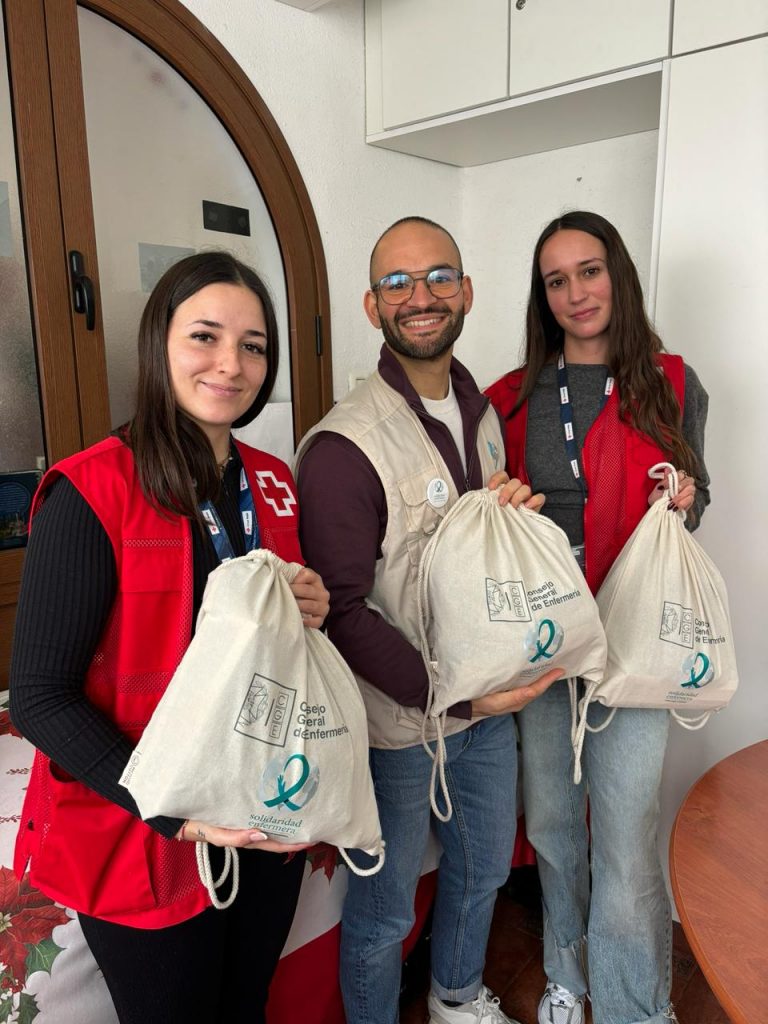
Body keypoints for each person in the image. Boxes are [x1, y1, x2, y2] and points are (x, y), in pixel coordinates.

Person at [9, 251, 330, 1024]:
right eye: (205, 336)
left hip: (261, 808)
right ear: (159, 343)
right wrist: (177, 812)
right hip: (141, 826)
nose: (231, 364)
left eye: (253, 346)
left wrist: (308, 609)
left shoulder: (272, 481)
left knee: (245, 1004)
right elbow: (41, 699)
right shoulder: (94, 489)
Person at [295, 216, 562, 1024]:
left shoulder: (483, 413)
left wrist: (508, 516)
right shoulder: (344, 446)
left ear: (467, 291)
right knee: (384, 915)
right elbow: (342, 613)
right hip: (400, 725)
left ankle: (455, 997)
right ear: (372, 305)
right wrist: (455, 695)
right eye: (398, 283)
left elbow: (471, 560)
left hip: (487, 708)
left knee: (483, 871)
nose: (421, 296)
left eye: (439, 276)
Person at [485, 210, 710, 1024]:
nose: (576, 292)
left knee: (624, 826)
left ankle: (634, 1006)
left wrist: (684, 500)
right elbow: (490, 530)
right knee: (552, 824)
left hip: (636, 637)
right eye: (556, 280)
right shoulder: (509, 398)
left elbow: (697, 501)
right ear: (542, 297)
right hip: (544, 640)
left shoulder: (672, 382)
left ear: (618, 274)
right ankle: (566, 976)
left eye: (589, 271)